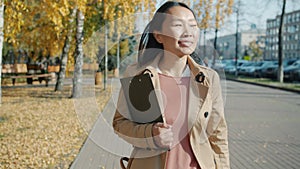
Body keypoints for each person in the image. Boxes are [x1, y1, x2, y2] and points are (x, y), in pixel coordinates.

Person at [113, 1, 230, 169]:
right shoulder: (139, 75)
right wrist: (150, 135)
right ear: (158, 35)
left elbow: (218, 134)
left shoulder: (208, 79)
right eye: (178, 25)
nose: (188, 33)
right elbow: (121, 123)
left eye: (192, 26)